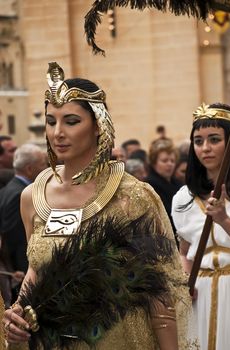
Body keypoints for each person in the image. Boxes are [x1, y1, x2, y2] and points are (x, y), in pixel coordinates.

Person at [2, 62, 199, 350]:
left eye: (71, 121)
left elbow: (159, 295)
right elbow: (37, 268)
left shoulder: (132, 196)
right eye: (50, 121)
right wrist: (18, 315)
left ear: (98, 125)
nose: (57, 132)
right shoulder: (32, 196)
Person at [172, 102, 230, 350]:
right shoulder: (183, 198)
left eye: (214, 139)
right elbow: (184, 252)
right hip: (202, 294)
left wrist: (224, 220)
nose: (205, 148)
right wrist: (184, 278)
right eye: (198, 141)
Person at [0, 144, 47, 275]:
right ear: (30, 169)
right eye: (43, 164)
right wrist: (23, 270)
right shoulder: (20, 194)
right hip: (22, 270)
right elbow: (17, 239)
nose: (47, 168)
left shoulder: (7, 188)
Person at [145, 139, 182, 246]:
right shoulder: (149, 185)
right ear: (154, 162)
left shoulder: (178, 185)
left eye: (172, 161)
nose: (169, 164)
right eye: (165, 161)